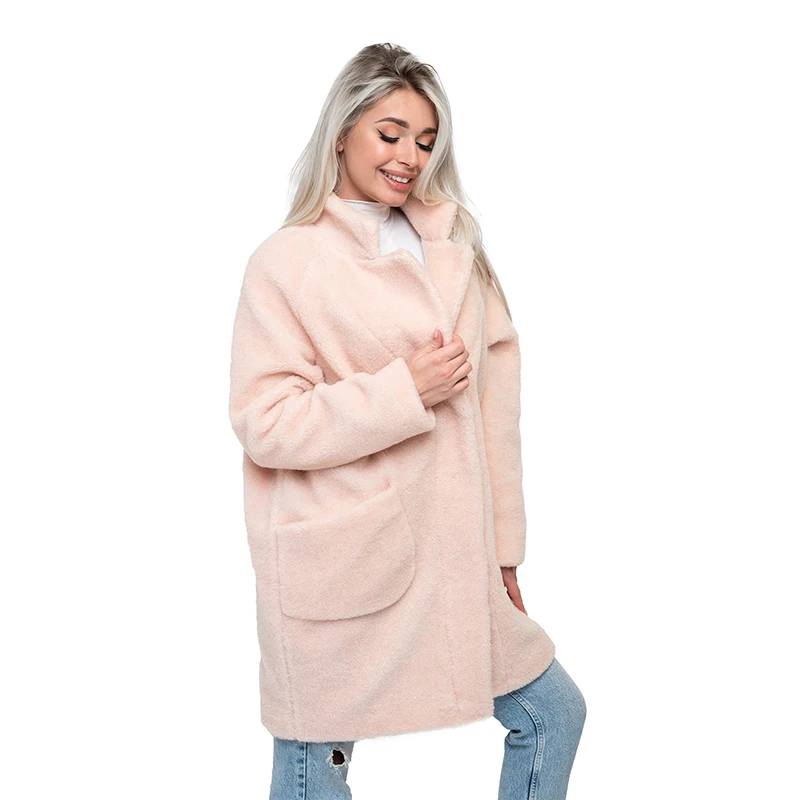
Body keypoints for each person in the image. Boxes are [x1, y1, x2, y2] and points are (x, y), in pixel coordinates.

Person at [228, 42, 586, 799]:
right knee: (315, 766)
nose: (409, 158)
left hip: (454, 556)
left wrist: (505, 553)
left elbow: (496, 412)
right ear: (342, 134)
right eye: (389, 134)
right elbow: (267, 421)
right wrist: (404, 392)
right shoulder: (286, 262)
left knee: (553, 712)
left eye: (425, 141)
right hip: (344, 555)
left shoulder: (454, 251)